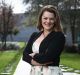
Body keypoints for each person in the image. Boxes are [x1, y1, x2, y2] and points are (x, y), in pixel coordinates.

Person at [22, 5, 65, 75]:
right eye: (45, 18)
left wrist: (34, 55)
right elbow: (24, 55)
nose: (48, 21)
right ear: (41, 19)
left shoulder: (59, 36)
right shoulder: (34, 35)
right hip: (34, 72)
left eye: (51, 19)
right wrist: (39, 62)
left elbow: (48, 57)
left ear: (55, 20)